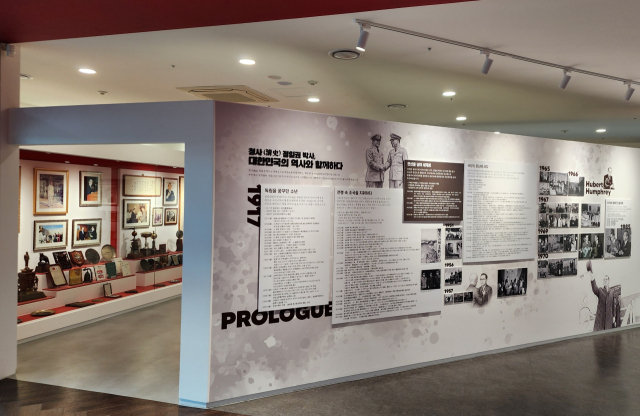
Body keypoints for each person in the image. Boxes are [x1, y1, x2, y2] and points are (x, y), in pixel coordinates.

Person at [581, 261, 616, 331]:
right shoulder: (600, 290)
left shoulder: (612, 292)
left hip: (608, 320)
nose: (605, 280)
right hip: (600, 320)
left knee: (608, 335)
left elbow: (613, 305)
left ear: (609, 281)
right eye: (604, 279)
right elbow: (595, 289)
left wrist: (614, 316)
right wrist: (592, 278)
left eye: (606, 279)